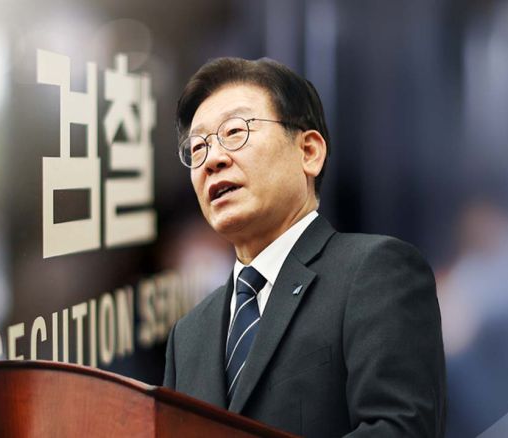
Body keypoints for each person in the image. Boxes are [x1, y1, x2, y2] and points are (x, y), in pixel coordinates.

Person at [163, 57, 446, 437]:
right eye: (198, 147)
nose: (212, 159)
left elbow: (398, 430)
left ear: (309, 152)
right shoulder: (188, 335)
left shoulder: (375, 272)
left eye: (234, 131)